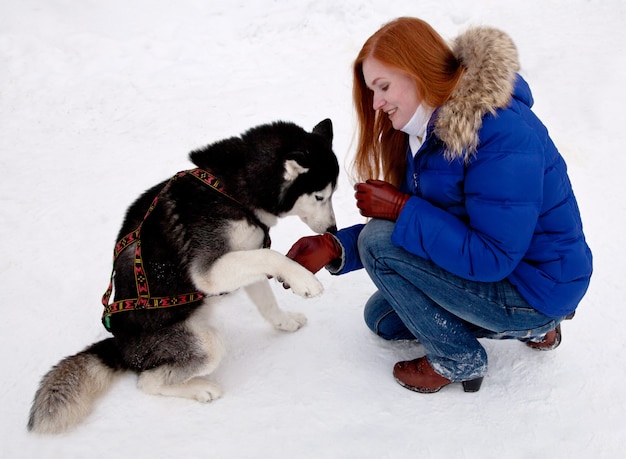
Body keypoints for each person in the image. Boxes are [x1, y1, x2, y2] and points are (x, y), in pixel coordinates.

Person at [286, 17, 592, 393]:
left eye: (383, 87)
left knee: (379, 242)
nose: (376, 103)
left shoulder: (500, 133)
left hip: (535, 285)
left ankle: (460, 358)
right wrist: (336, 248)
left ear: (418, 72)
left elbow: (491, 255)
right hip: (500, 274)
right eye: (371, 90)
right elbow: (430, 221)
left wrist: (399, 209)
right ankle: (530, 327)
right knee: (382, 319)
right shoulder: (422, 131)